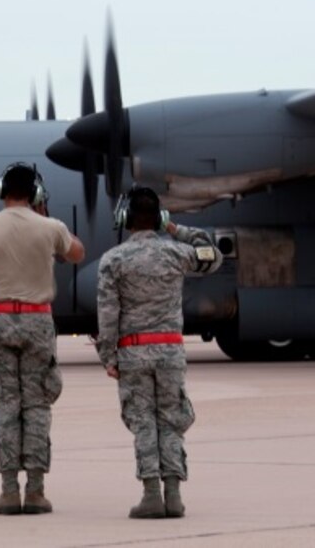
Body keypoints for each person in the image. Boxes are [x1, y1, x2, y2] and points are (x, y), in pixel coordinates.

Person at [0, 162, 85, 515]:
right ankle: (35, 490)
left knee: (6, 405)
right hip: (37, 322)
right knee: (37, 405)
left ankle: (7, 491)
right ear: (35, 194)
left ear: (1, 192)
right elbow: (77, 252)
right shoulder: (50, 227)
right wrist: (46, 215)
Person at [95, 186, 222, 519]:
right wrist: (176, 229)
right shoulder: (176, 252)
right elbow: (213, 255)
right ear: (159, 217)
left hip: (133, 352)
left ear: (125, 219)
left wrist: (108, 357)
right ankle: (175, 494)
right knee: (171, 420)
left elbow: (108, 314)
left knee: (143, 422)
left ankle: (151, 494)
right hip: (169, 350)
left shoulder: (113, 260)